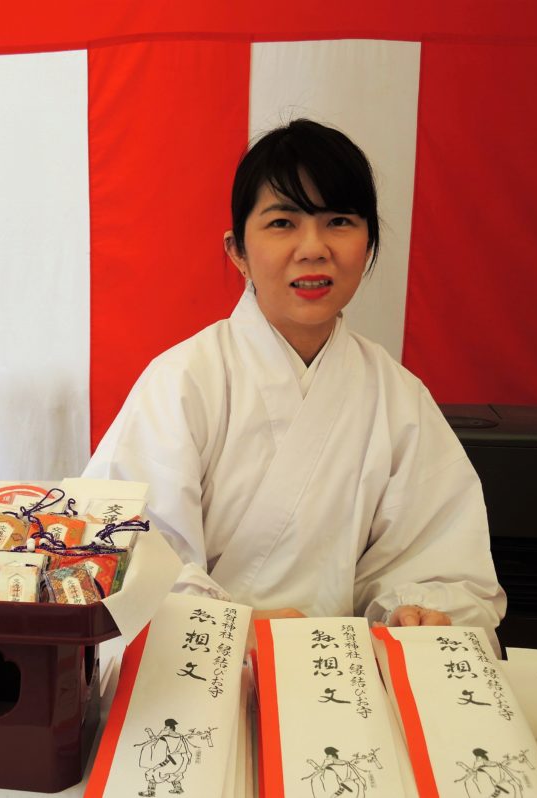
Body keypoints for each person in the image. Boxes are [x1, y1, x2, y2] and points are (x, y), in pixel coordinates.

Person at [83, 119, 505, 635]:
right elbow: (121, 561)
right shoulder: (182, 382)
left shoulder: (399, 399)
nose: (313, 247)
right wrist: (241, 630)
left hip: (339, 680)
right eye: (283, 223)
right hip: (198, 676)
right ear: (237, 250)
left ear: (369, 244)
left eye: (339, 222)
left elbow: (444, 562)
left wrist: (414, 610)